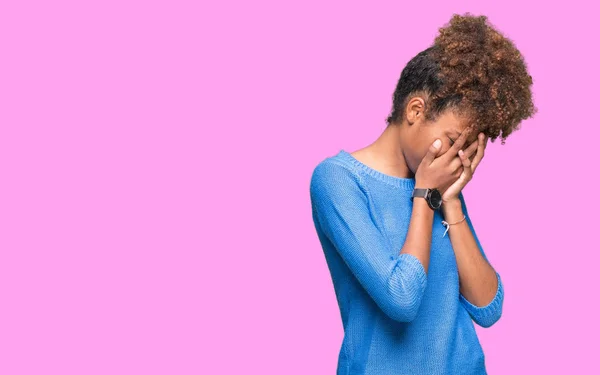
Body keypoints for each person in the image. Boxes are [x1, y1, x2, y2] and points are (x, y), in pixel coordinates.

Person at [309, 13, 537, 375]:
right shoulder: (338, 180)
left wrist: (450, 200)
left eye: (466, 150)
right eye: (451, 142)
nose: (457, 160)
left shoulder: (435, 187)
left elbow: (488, 306)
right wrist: (426, 196)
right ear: (416, 109)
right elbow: (401, 298)